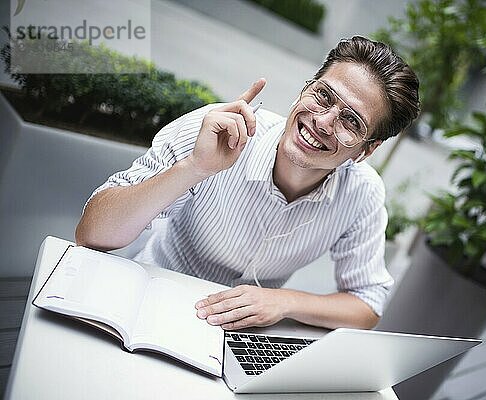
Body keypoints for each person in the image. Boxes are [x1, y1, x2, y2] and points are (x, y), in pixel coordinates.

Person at [76, 36, 420, 331]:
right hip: (153, 296)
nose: (323, 121)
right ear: (305, 89)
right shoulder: (216, 130)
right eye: (324, 96)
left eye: (351, 121)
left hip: (244, 333)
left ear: (366, 149)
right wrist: (195, 166)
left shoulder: (362, 194)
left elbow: (369, 304)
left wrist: (283, 301)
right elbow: (92, 234)